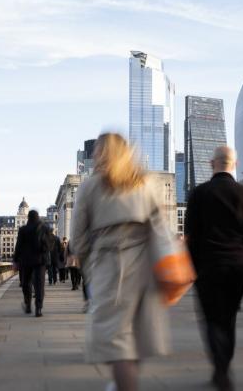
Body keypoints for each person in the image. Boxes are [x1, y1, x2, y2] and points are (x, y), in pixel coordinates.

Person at [72, 133, 170, 391]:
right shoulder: (148, 183)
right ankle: (122, 382)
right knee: (137, 335)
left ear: (102, 154)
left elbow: (78, 240)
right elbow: (161, 227)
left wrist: (89, 268)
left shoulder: (91, 187)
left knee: (118, 340)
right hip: (147, 268)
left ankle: (123, 384)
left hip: (110, 267)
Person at [185, 146, 243, 391]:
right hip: (237, 266)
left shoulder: (199, 194)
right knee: (228, 319)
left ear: (212, 163)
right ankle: (223, 367)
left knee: (211, 320)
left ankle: (220, 369)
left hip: (207, 266)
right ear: (235, 163)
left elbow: (190, 236)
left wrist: (191, 268)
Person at [13, 210, 50, 317]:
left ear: (28, 218)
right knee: (39, 285)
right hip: (40, 261)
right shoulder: (44, 228)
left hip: (26, 261)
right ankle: (38, 308)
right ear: (38, 217)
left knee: (26, 283)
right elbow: (48, 245)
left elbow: (18, 246)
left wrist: (15, 260)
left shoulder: (23, 229)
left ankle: (28, 304)